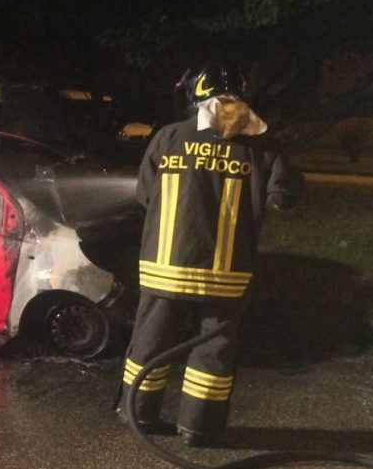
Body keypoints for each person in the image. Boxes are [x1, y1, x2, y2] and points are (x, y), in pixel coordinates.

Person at [117, 65, 303, 446]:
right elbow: (285, 198)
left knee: (150, 341)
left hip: (163, 267)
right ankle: (198, 428)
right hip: (226, 273)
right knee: (213, 351)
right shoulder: (264, 145)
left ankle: (137, 413)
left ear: (197, 97)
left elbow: (145, 196)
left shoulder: (169, 136)